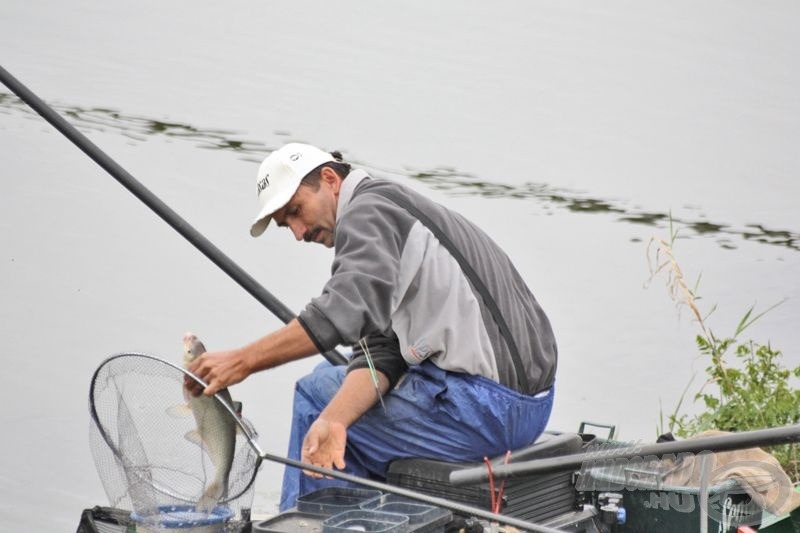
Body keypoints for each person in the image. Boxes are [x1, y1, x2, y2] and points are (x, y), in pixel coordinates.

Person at [186, 142, 558, 510]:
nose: (299, 233)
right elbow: (383, 350)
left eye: (296, 211)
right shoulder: (389, 208)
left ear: (330, 179)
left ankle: (302, 521)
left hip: (491, 409)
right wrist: (336, 420)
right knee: (329, 390)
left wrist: (243, 361)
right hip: (529, 405)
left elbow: (343, 311)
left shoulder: (367, 213)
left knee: (314, 393)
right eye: (288, 227)